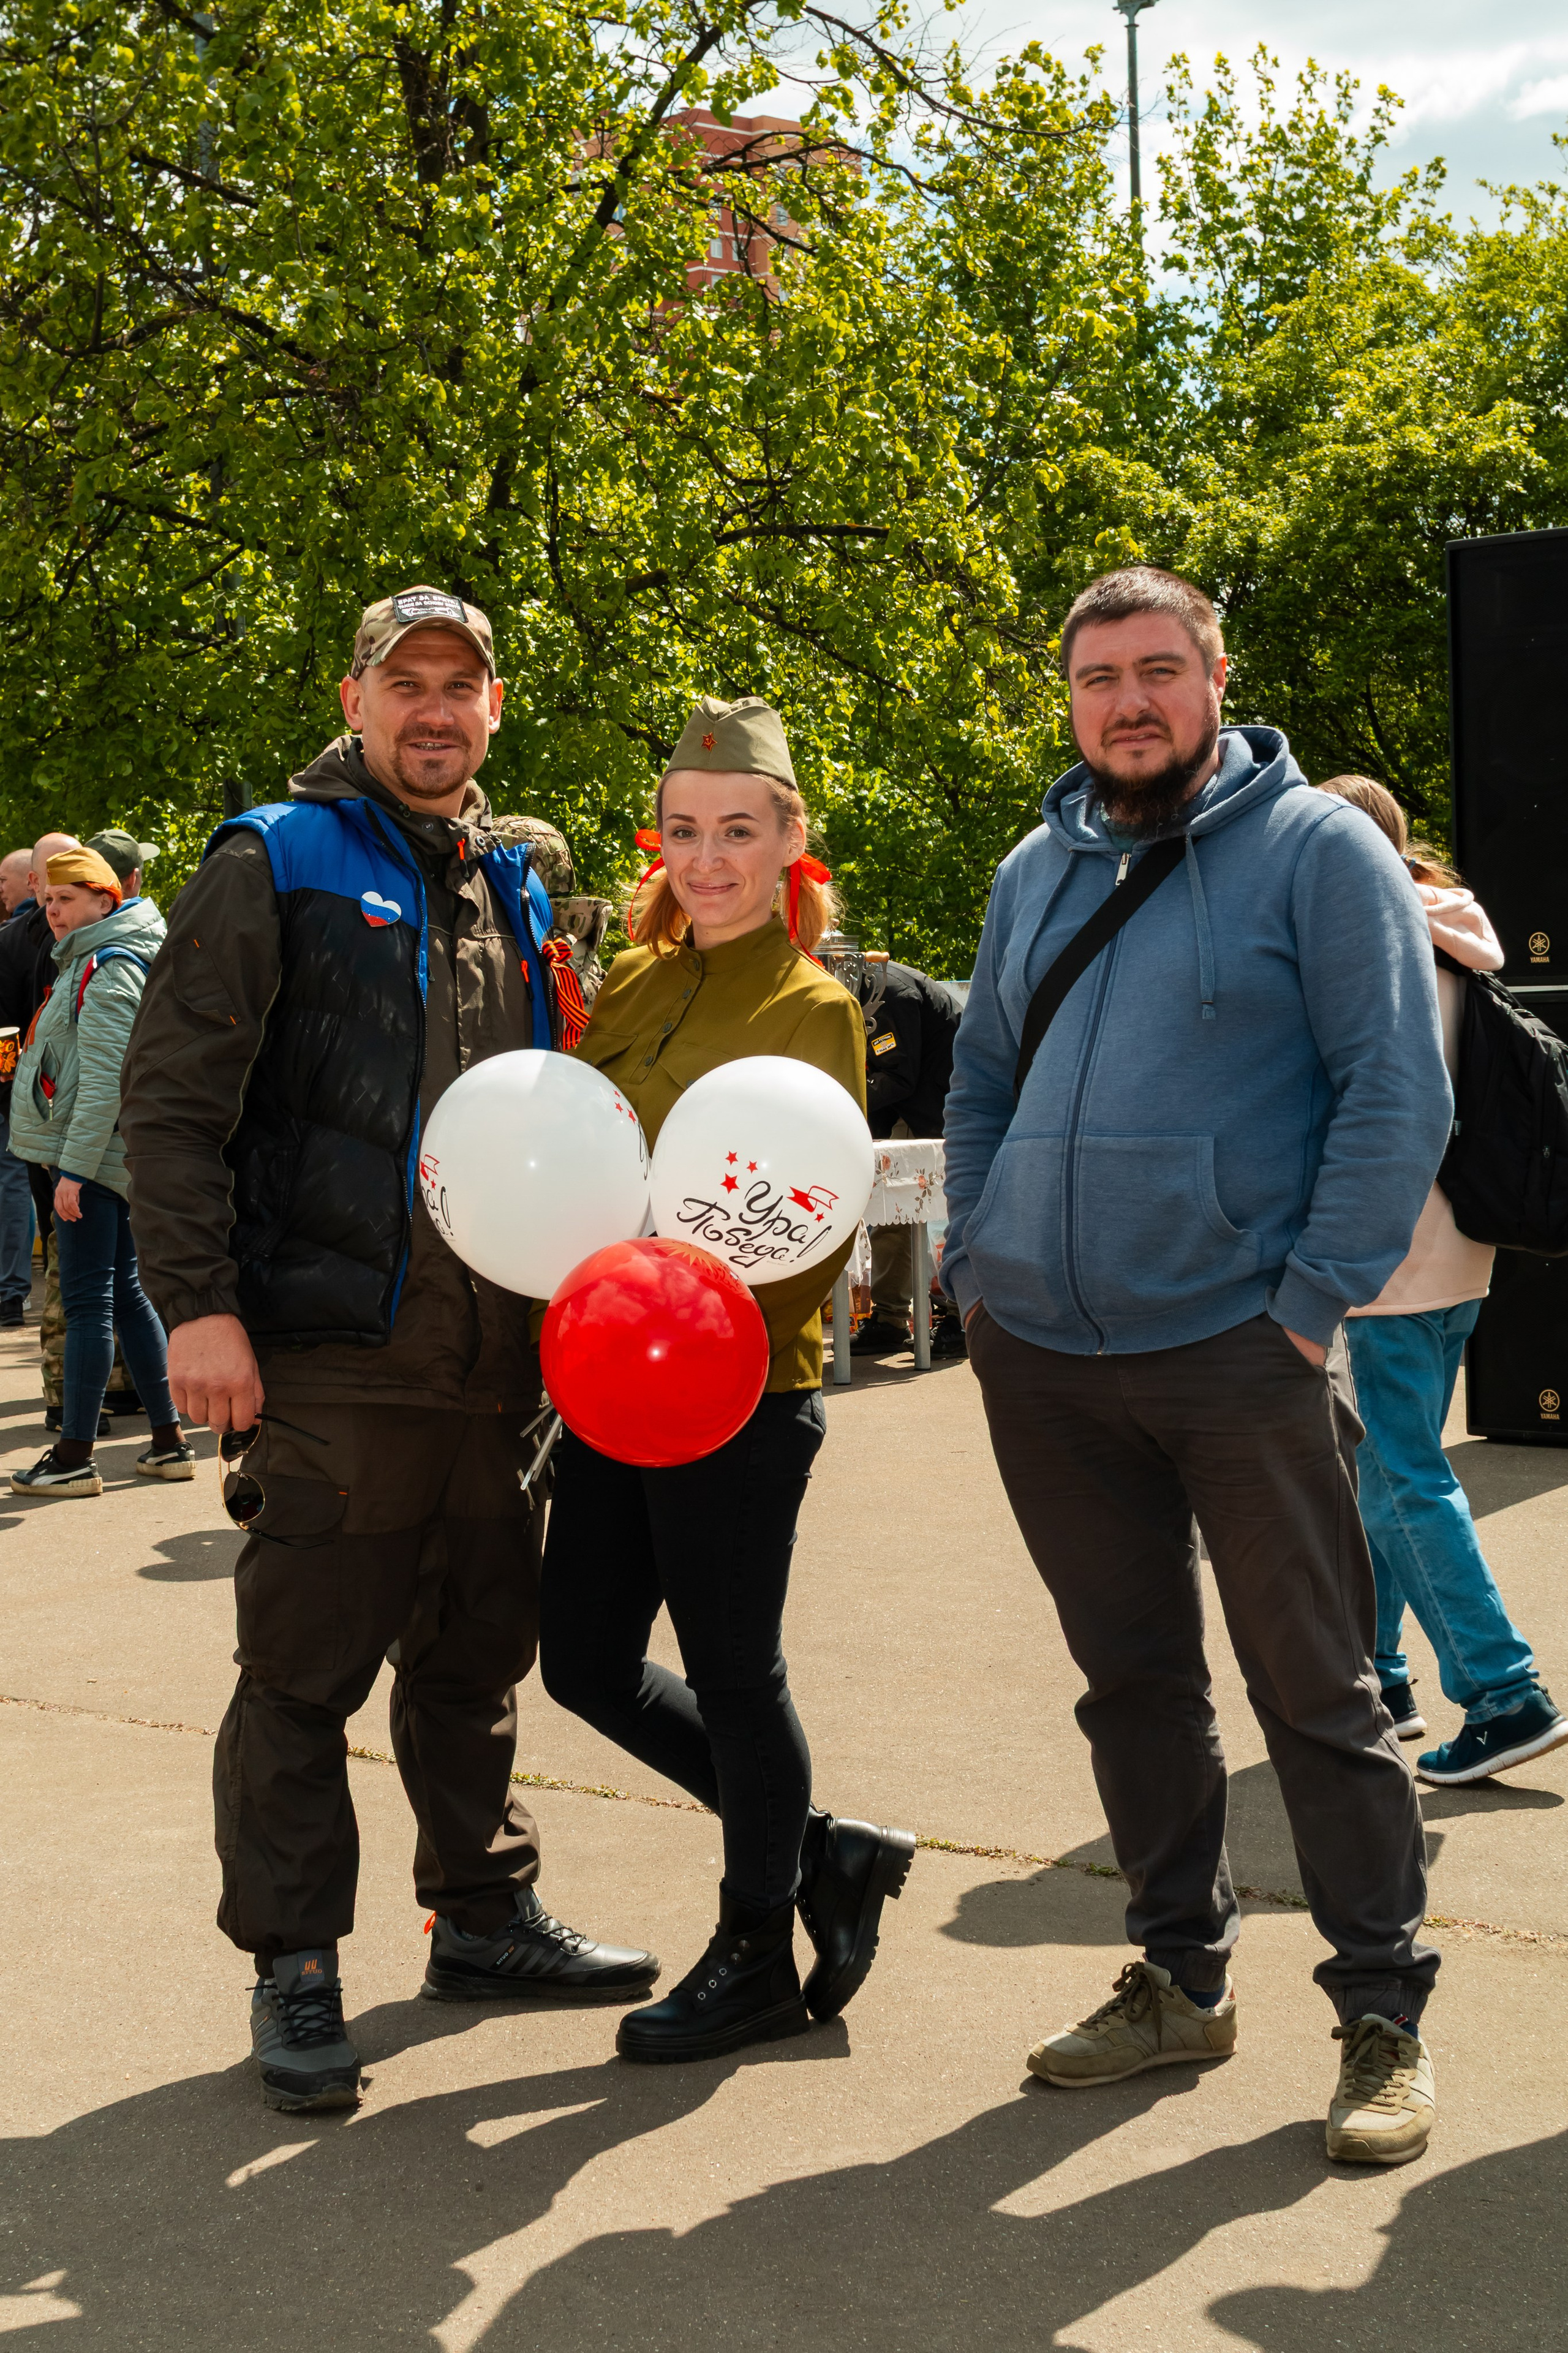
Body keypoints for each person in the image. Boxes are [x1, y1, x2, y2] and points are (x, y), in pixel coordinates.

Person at [119, 584, 657, 2116]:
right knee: (302, 1672)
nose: (433, 710)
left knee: (478, 1652)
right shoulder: (270, 859)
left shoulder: (515, 881)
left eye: (461, 685)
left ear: (492, 710)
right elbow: (170, 1102)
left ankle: (481, 1913)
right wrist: (198, 1305)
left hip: (501, 1358)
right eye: (404, 681)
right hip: (334, 1353)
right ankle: (294, 1961)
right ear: (354, 696)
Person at [940, 567, 1453, 2167]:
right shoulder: (1034, 869)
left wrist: (1307, 1301)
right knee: (1136, 1688)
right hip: (1046, 1356)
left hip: (1241, 1345)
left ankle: (1382, 2017)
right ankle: (1180, 1976)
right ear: (1072, 699)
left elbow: (1394, 1091)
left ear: (1217, 676)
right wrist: (976, 1265)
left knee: (1319, 1691)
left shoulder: (1318, 854)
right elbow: (980, 1080)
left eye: (1160, 670)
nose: (1129, 703)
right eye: (1100, 679)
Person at [540, 695, 916, 2065]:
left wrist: (697, 1330)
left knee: (731, 1672)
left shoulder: (812, 1006)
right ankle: (820, 1849)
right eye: (687, 831)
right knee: (577, 1661)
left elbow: (805, 1222)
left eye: (737, 833)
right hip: (604, 1374)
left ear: (787, 844)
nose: (707, 859)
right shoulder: (632, 985)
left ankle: (758, 1940)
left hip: (738, 1391)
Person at [1317, 774, 1567, 1788]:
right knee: (1387, 1474)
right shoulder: (1443, 932)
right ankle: (1381, 1677)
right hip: (1453, 1251)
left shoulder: (1377, 945)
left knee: (1403, 1482)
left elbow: (1375, 1110)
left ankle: (1505, 1694)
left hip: (1393, 1260)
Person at [7, 848, 185, 1497]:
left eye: (68, 899)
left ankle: (74, 1456)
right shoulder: (98, 955)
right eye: (49, 900)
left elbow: (108, 1082)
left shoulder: (108, 967)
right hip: (111, 1160)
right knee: (127, 1295)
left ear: (106, 900)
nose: (53, 911)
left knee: (87, 1303)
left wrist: (74, 1171)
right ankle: (168, 1444)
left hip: (97, 1163)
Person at [843, 950, 965, 1358]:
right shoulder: (862, 989)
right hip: (913, 1103)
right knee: (889, 1206)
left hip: (953, 1103)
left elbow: (897, 1075)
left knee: (958, 1208)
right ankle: (890, 1317)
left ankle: (961, 1314)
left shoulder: (889, 994)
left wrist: (839, 1103)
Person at [0, 834, 82, 1351]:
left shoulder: (104, 939)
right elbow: (5, 1028)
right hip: (33, 1108)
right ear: (34, 883)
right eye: (50, 883)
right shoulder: (13, 943)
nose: (57, 900)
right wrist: (12, 1093)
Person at [0, 848, 37, 1328]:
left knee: (12, 1183)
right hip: (47, 1083)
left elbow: (5, 1026)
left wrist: (6, 1080)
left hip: (18, 1085)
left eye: (3, 881)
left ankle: (10, 1291)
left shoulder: (11, 940)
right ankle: (11, 1291)